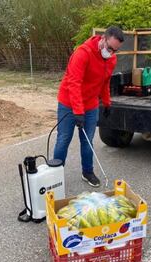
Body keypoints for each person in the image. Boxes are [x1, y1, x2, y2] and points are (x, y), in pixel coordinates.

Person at [53, 26, 124, 187]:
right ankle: (55, 176)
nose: (111, 53)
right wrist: (77, 111)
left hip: (91, 104)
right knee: (63, 139)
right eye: (109, 48)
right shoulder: (83, 53)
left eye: (115, 50)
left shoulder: (111, 59)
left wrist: (107, 103)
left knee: (87, 140)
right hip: (69, 104)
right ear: (103, 39)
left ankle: (87, 172)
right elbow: (74, 83)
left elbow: (104, 82)